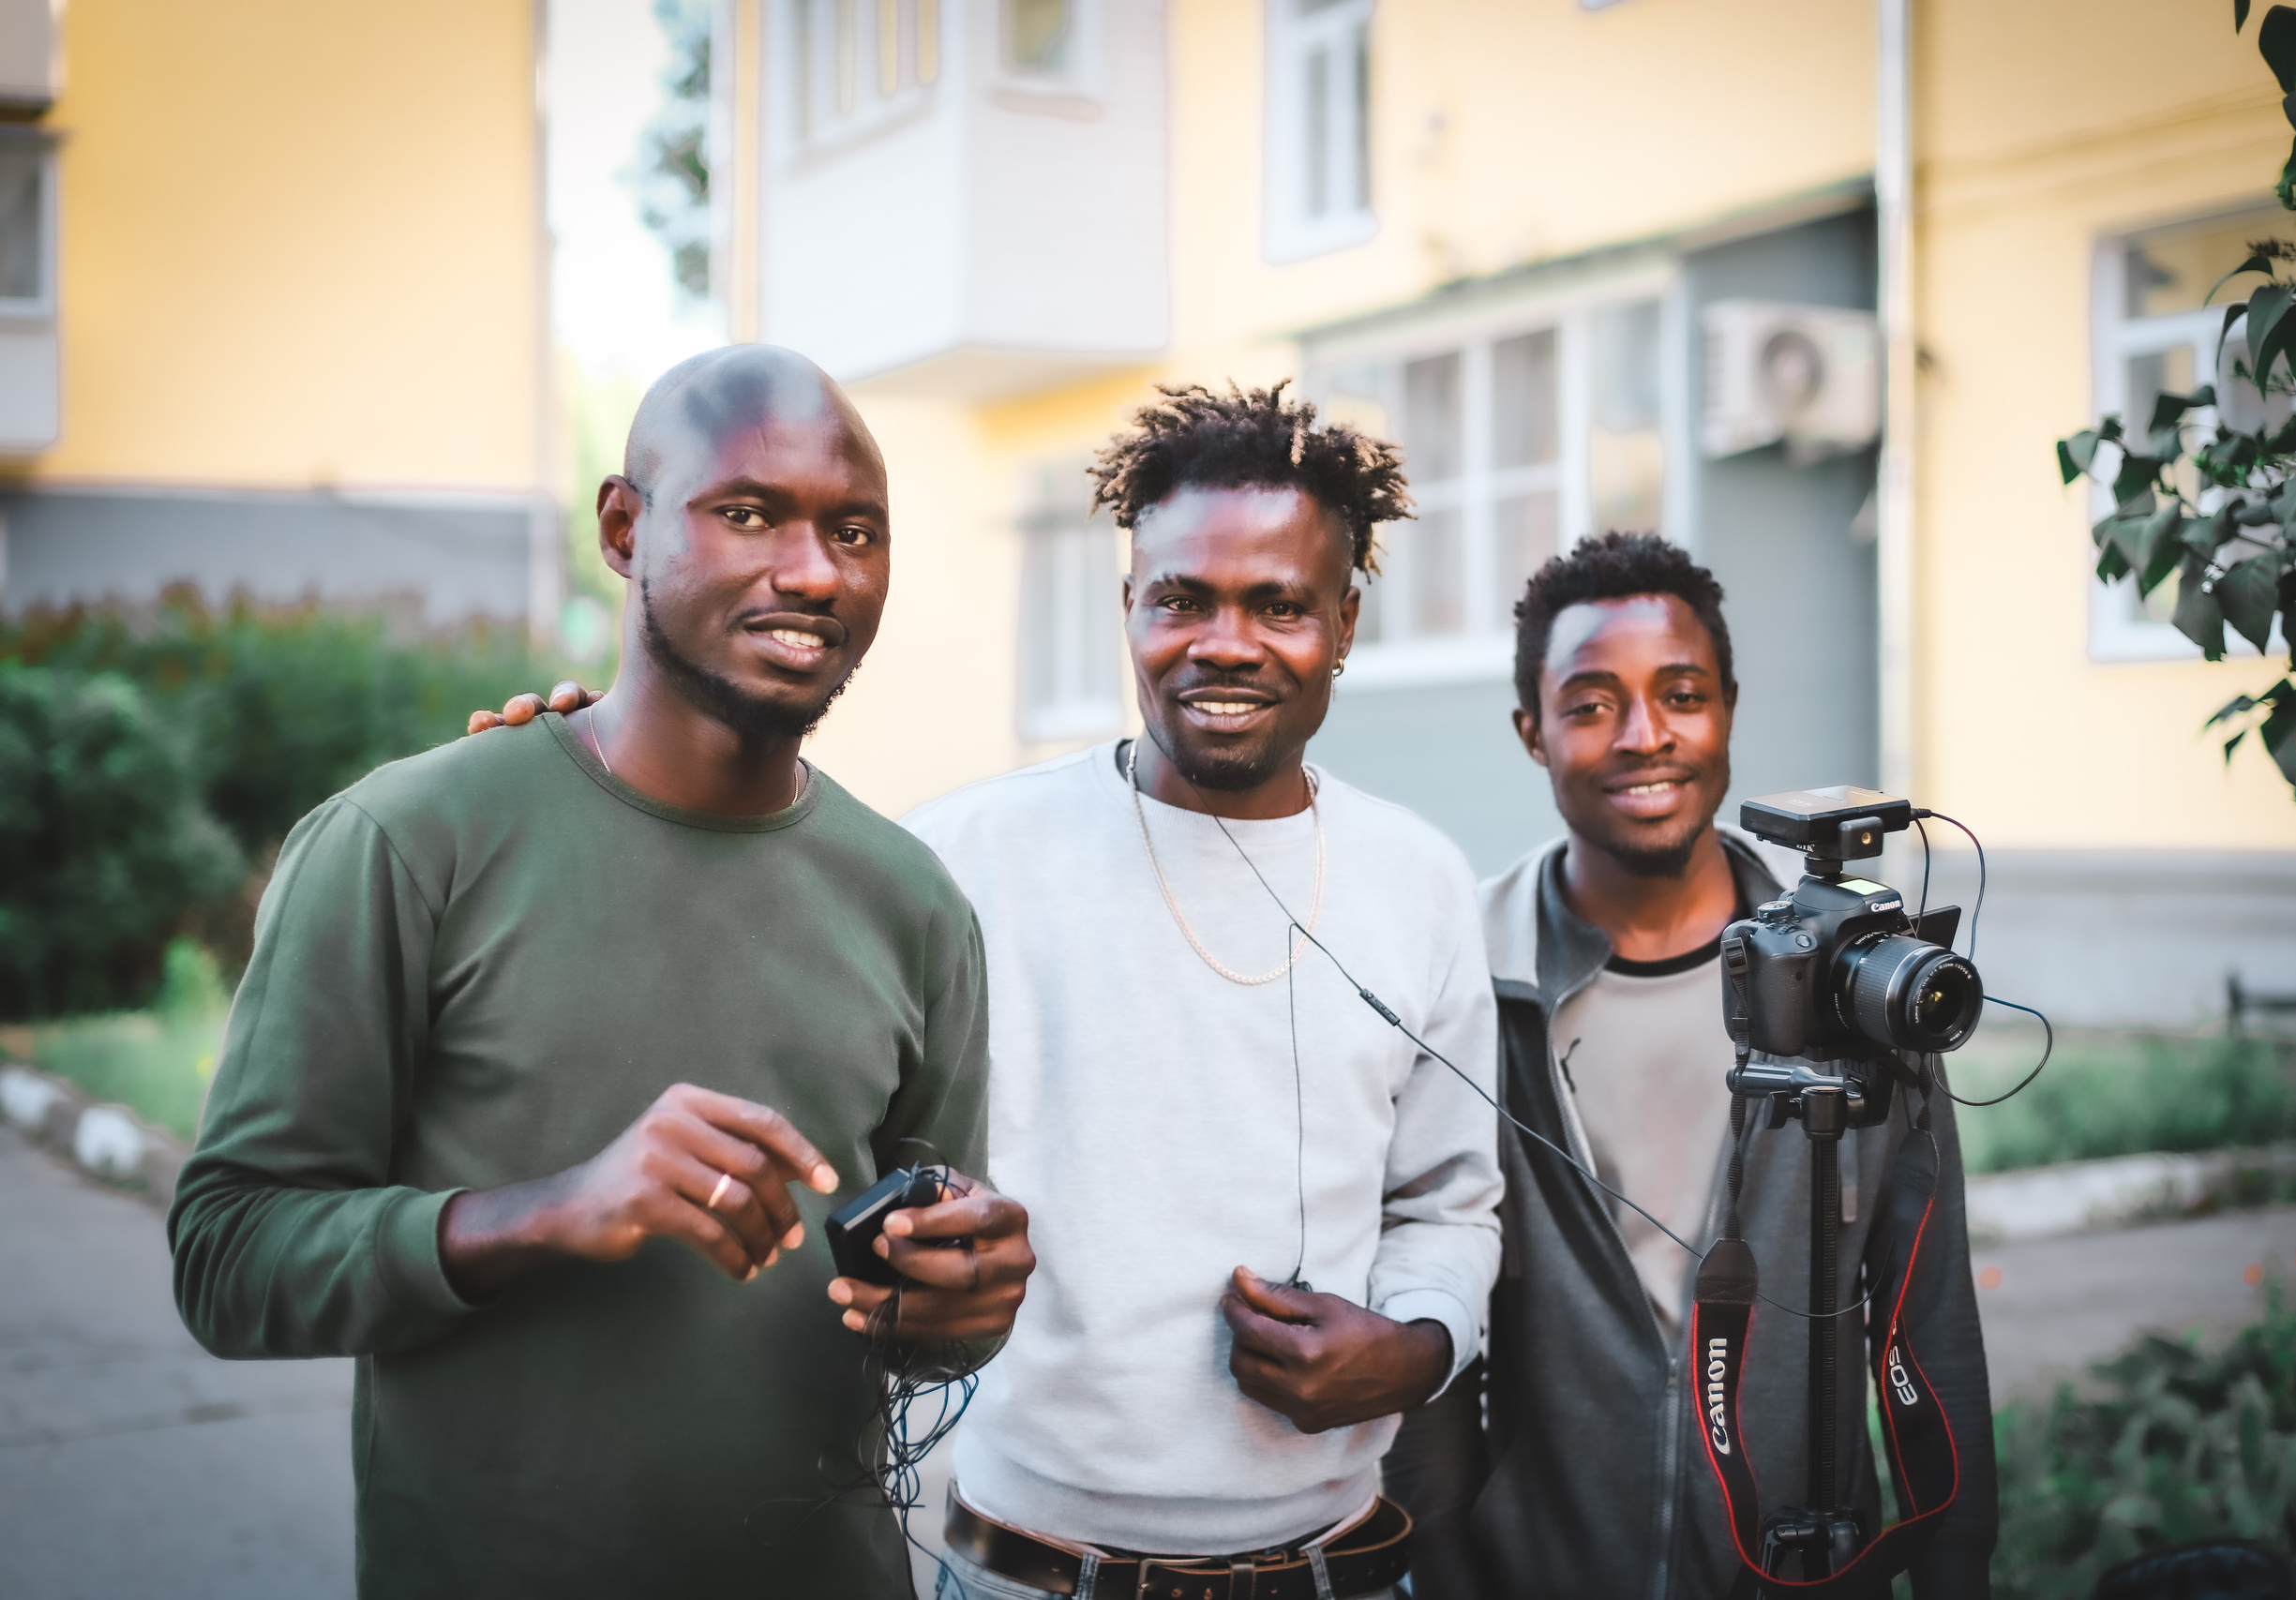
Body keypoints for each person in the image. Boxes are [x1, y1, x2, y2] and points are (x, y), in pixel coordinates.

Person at [494, 382, 1502, 1600]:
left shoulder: (1423, 880)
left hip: (1341, 1567)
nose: (1224, 641)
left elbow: (1450, 1198)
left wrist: (1421, 1343)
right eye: (1182, 597)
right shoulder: (962, 859)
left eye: (1278, 604)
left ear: (1342, 622)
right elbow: (723, 985)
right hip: (1030, 1571)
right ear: (1130, 604)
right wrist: (588, 778)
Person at [169, 346, 1034, 1600]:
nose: (812, 569)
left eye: (857, 530)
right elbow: (229, 1254)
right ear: (624, 529)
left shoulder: (912, 898)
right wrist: (553, 1208)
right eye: (747, 513)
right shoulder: (406, 841)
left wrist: (970, 1294)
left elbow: (920, 1314)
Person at [1383, 532, 1997, 1598]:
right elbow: (1420, 1307)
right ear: (1531, 731)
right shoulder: (1461, 981)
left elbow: (1925, 1308)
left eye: (1680, 694)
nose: (1643, 737)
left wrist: (1954, 1565)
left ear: (1727, 709)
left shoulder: (1861, 980)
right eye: (1589, 704)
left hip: (1793, 1570)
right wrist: (1437, 1561)